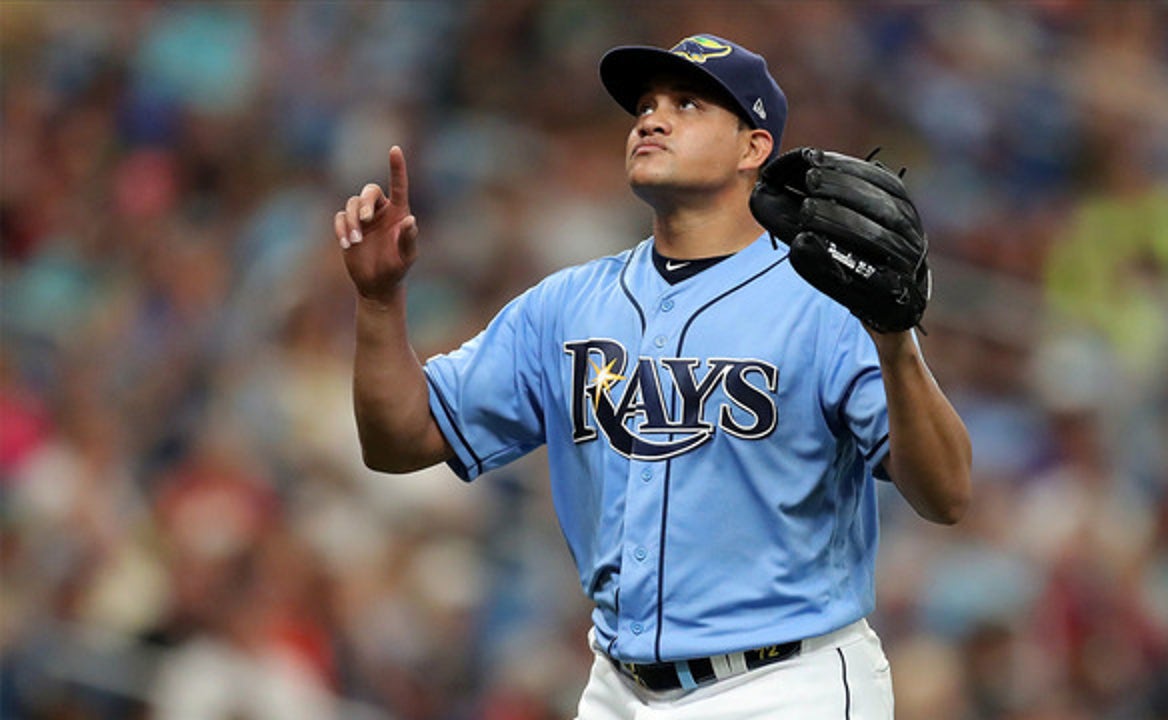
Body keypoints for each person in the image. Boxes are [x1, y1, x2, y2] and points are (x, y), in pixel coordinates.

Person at [332, 33, 971, 719]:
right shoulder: (567, 305)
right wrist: (378, 302)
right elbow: (399, 441)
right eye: (645, 104)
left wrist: (896, 342)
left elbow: (946, 494)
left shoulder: (825, 301)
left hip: (788, 684)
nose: (651, 118)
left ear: (753, 148)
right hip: (617, 687)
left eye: (688, 104)